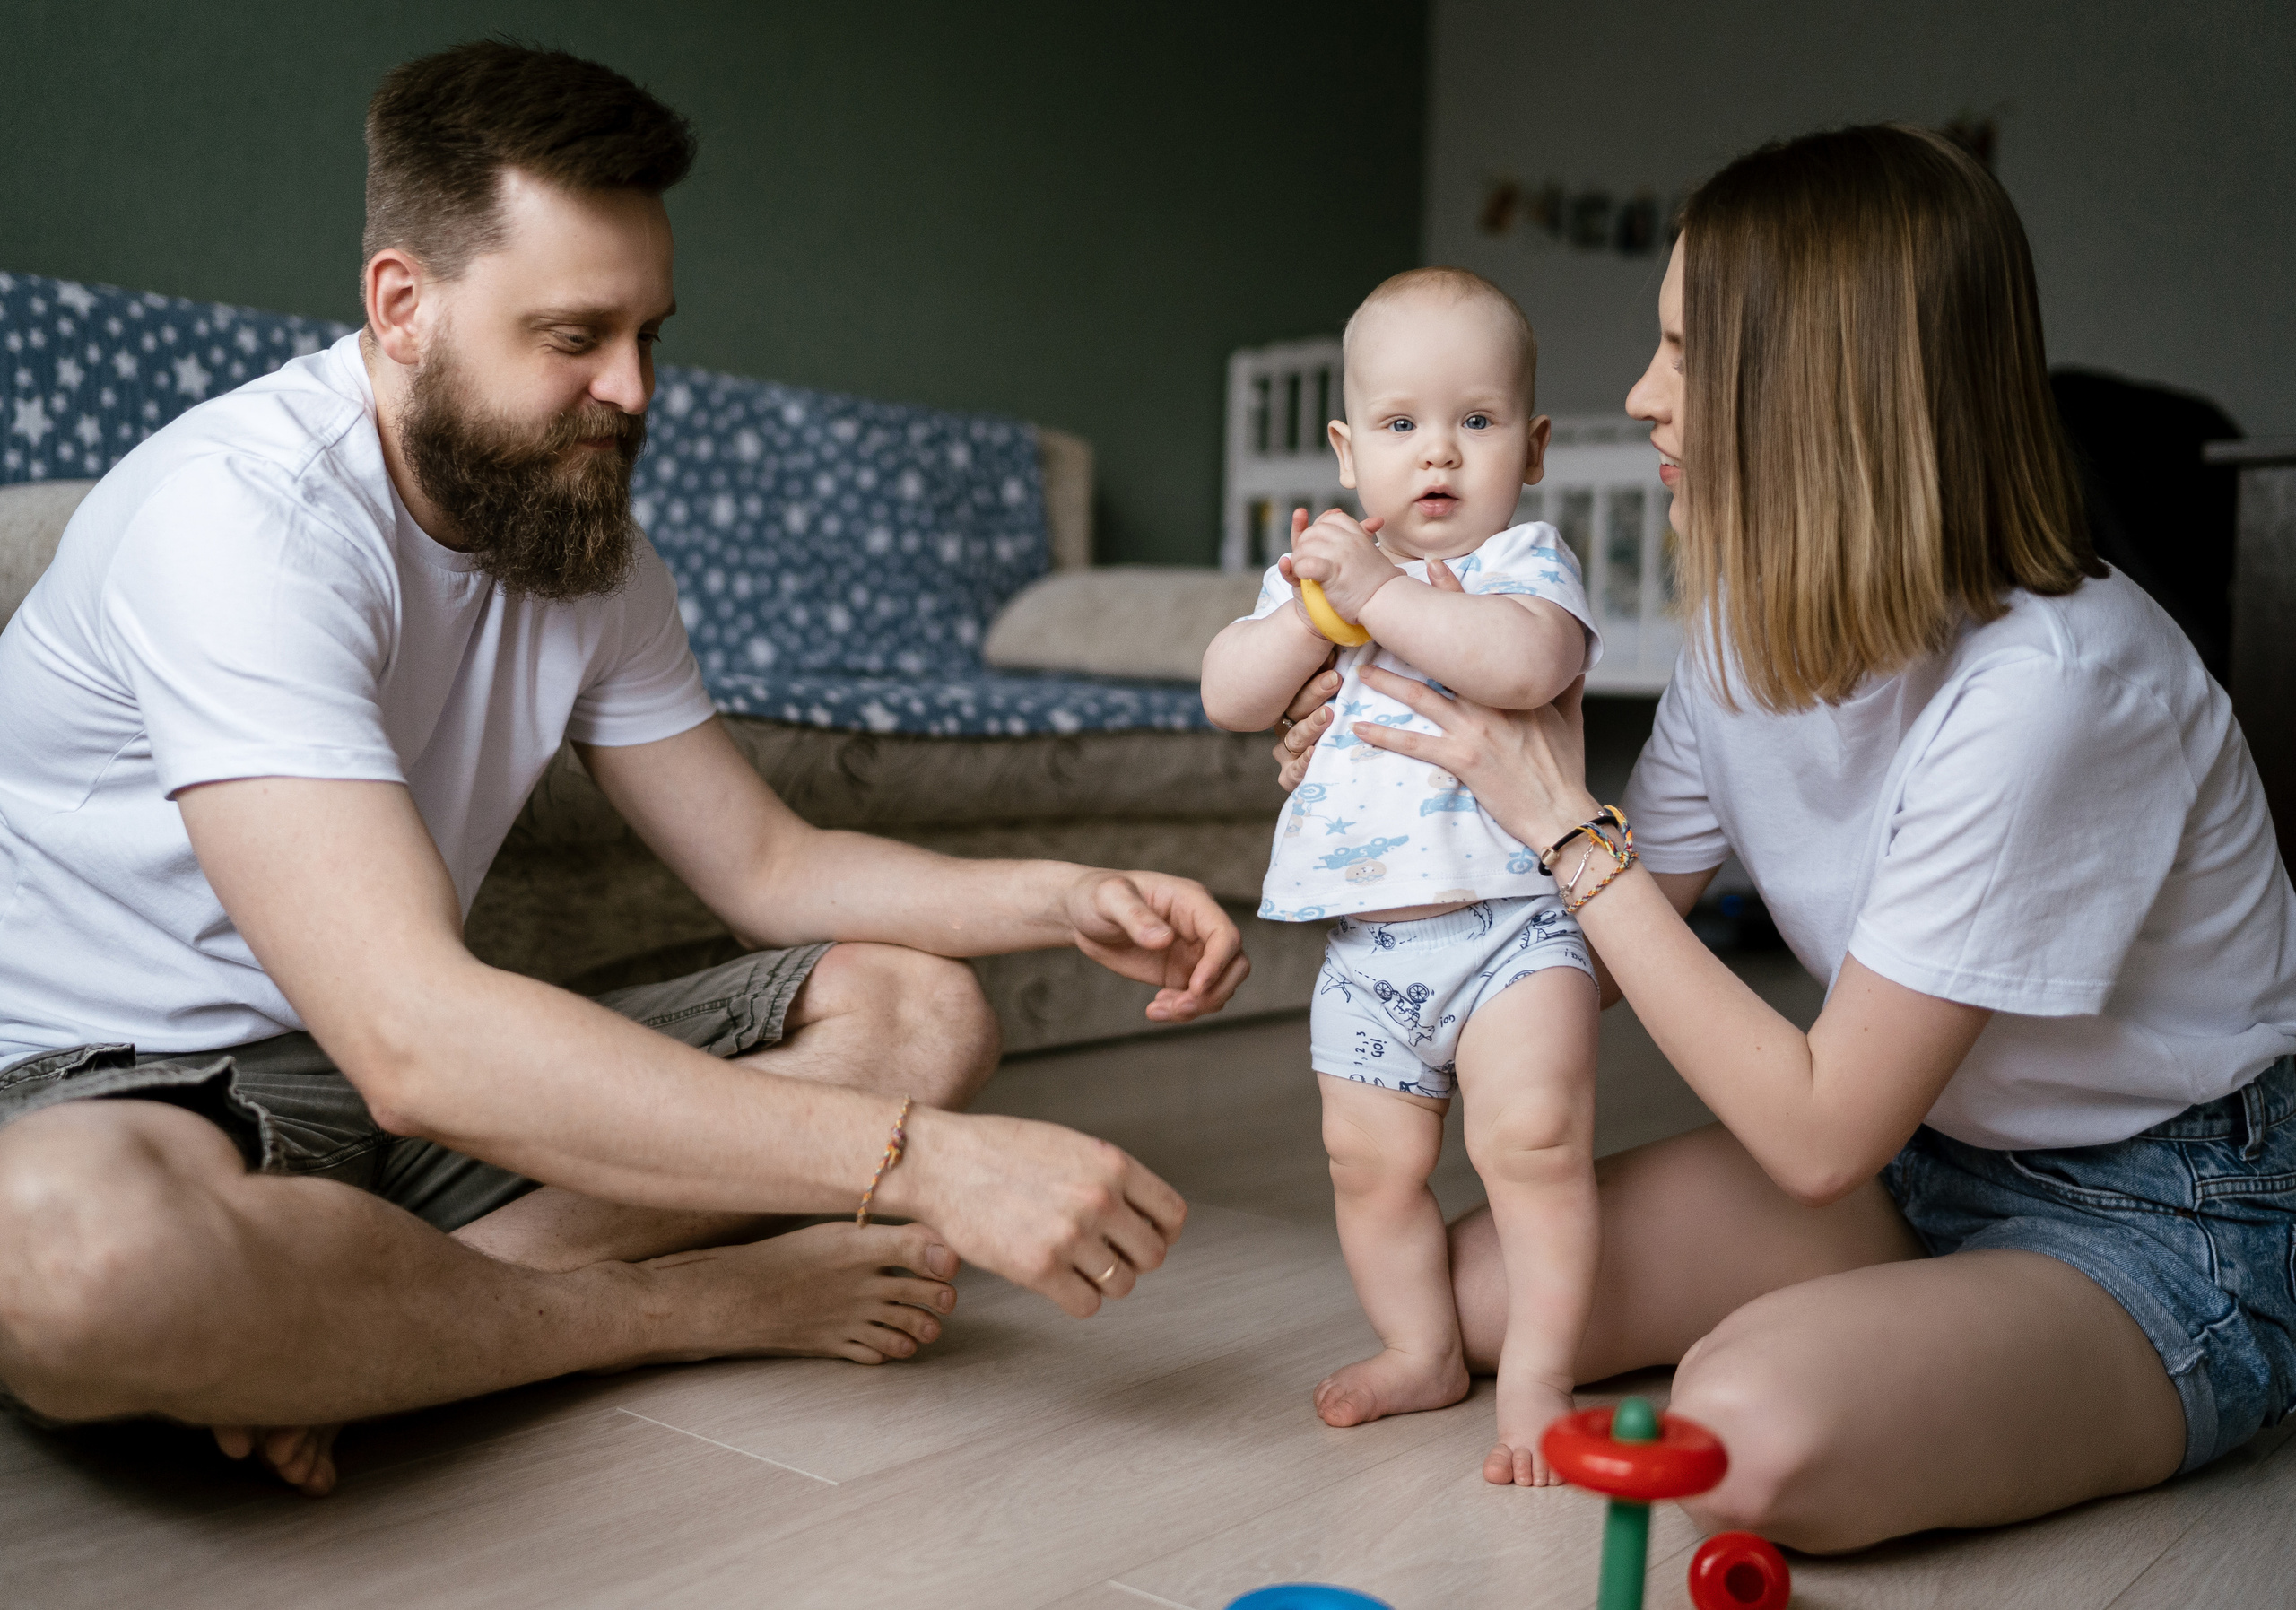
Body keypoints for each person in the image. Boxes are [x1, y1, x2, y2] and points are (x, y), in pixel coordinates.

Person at [0, 41, 1245, 1498]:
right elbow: (414, 1039)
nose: (632, 389)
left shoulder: (583, 546)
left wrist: (1066, 890)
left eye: (652, 331)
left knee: (912, 1008)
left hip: (387, 1096)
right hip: (115, 1092)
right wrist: (924, 1164)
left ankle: (376, 1333)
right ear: (404, 306)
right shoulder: (246, 524)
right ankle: (648, 1314)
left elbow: (768, 869)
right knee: (72, 1269)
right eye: (575, 336)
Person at [1270, 124, 2296, 1550]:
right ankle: (1927, 1325)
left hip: (2160, 1211)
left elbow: (1816, 1132)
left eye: (1686, 352)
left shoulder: (2056, 688)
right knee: (1478, 1296)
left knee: (1737, 1442)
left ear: (1823, 387)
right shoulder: (1751, 632)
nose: (1638, 397)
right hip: (1923, 1157)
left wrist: (1561, 819)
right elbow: (1600, 947)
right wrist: (1403, 807)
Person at [1201, 269, 1604, 1487]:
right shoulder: (1317, 587)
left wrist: (1379, 597)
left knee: (1532, 1144)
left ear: (1531, 449)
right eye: (1400, 425)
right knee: (1368, 1168)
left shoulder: (1526, 565)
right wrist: (1316, 618)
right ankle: (1421, 1346)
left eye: (1477, 423)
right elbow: (1231, 695)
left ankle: (1537, 1377)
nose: (1438, 453)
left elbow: (1524, 669)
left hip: (1514, 935)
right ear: (1345, 449)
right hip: (1367, 954)